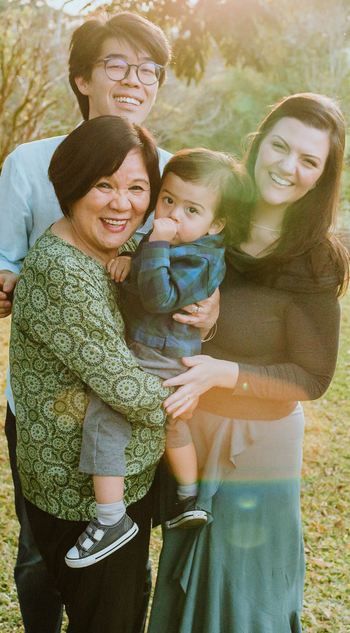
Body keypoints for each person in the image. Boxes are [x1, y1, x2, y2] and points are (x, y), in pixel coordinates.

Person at [0, 11, 204, 633]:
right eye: (118, 64)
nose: (124, 202)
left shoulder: (162, 167)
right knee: (52, 564)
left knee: (119, 593)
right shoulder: (35, 166)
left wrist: (208, 300)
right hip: (63, 410)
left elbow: (184, 250)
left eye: (149, 69)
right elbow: (13, 252)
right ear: (82, 76)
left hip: (127, 415)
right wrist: (1, 281)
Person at [140, 94, 350, 633]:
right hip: (190, 430)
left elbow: (312, 378)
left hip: (260, 445)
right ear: (258, 145)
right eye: (280, 146)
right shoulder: (207, 222)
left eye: (309, 161)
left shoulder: (317, 259)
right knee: (189, 580)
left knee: (248, 589)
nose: (288, 166)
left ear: (323, 176)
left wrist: (224, 371)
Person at [67, 148, 252, 568]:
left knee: (105, 416)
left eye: (191, 209)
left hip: (161, 357)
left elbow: (159, 295)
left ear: (216, 223)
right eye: (167, 200)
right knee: (174, 428)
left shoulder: (201, 257)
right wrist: (133, 261)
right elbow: (153, 277)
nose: (172, 214)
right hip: (166, 354)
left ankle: (110, 518)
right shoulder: (180, 246)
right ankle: (188, 498)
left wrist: (153, 246)